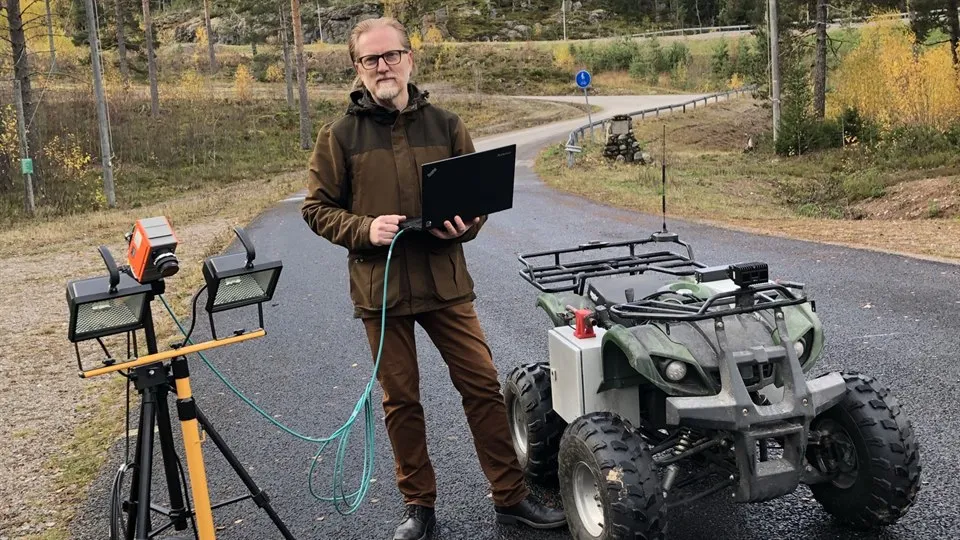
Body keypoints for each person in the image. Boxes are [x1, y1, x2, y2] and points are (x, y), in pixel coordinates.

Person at [300, 16, 566, 540]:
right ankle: (418, 507)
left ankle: (511, 499)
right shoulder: (339, 136)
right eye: (371, 59)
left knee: (482, 388)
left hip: (446, 283)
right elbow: (315, 208)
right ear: (357, 68)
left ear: (409, 58)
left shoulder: (446, 124)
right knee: (402, 401)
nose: (383, 66)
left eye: (391, 55)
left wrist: (465, 225)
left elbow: (479, 198)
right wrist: (362, 228)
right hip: (382, 293)